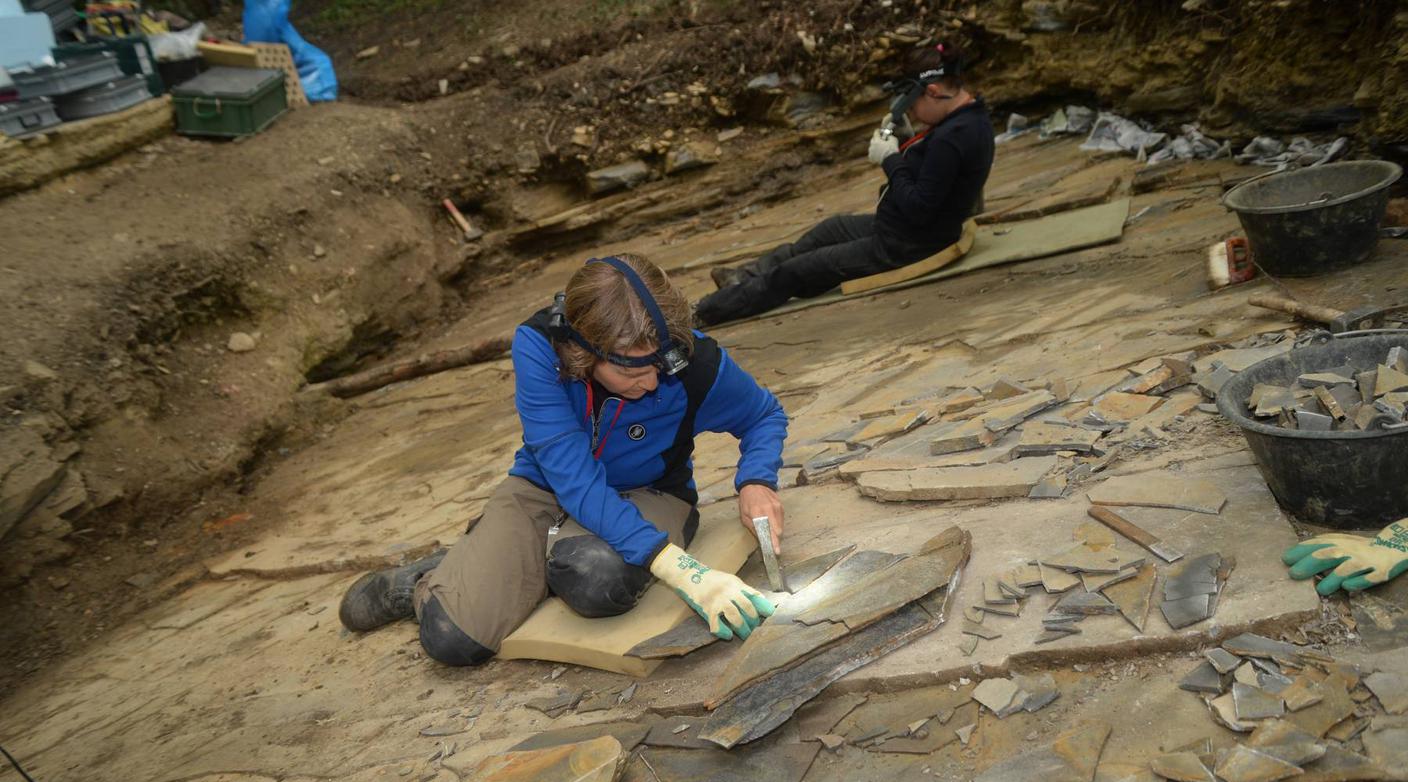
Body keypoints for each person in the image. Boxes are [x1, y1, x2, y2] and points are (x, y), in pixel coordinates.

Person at [338, 254, 790, 666]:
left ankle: (531, 562)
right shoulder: (540, 348)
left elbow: (763, 414)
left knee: (595, 580)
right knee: (453, 640)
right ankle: (428, 579)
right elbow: (570, 475)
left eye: (660, 369)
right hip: (546, 487)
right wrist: (687, 572)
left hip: (648, 491)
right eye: (631, 372)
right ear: (584, 352)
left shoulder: (695, 361)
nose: (651, 384)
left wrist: (756, 480)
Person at [695, 41, 995, 326]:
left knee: (796, 271)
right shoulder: (967, 118)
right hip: (899, 228)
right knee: (830, 229)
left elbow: (920, 207)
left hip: (906, 245)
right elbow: (938, 180)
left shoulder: (953, 137)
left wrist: (890, 160)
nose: (913, 113)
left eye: (913, 105)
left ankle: (707, 311)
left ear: (932, 91)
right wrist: (905, 140)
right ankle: (742, 278)